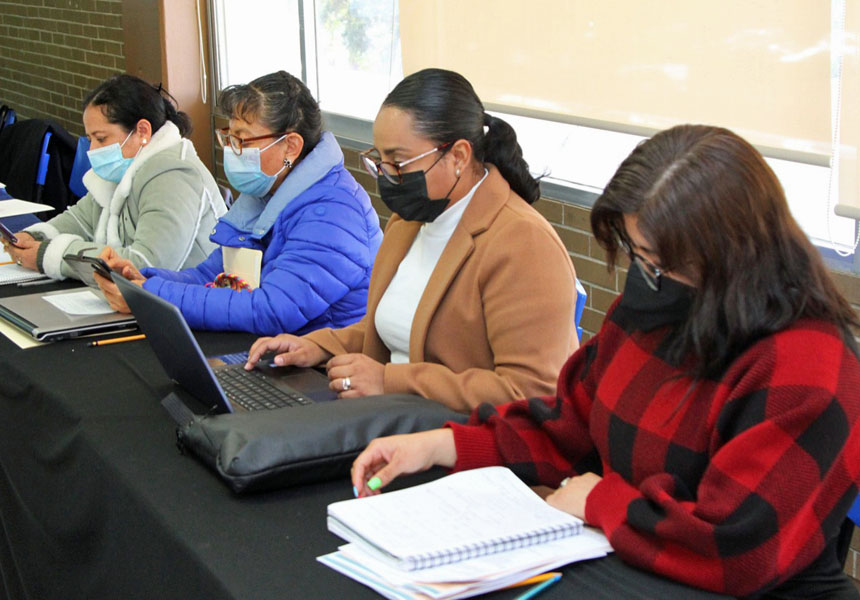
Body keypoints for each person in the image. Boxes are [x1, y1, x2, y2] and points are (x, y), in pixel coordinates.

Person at [350, 125, 860, 598]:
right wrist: (444, 445)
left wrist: (601, 501)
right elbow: (572, 422)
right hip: (625, 562)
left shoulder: (809, 366)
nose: (644, 277)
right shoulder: (657, 306)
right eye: (639, 256)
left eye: (660, 263)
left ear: (734, 257)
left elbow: (737, 548)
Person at [246, 69, 579, 411]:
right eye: (381, 161)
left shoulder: (524, 243)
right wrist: (318, 346)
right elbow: (392, 329)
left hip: (470, 442)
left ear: (459, 157)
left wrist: (390, 381)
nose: (388, 176)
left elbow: (531, 393)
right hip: (400, 417)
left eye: (399, 162)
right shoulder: (409, 222)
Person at [94, 71, 383, 335]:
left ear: (290, 147)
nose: (232, 152)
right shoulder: (266, 193)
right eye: (229, 138)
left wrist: (154, 295)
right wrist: (142, 281)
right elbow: (214, 276)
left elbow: (274, 309)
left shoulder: (333, 213)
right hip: (274, 349)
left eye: (243, 141)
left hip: (323, 369)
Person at [4, 74, 226, 281]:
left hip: (190, 308)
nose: (92, 149)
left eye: (101, 139)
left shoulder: (175, 176)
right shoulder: (126, 165)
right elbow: (81, 220)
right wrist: (35, 237)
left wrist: (51, 255)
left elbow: (144, 265)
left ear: (142, 131)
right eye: (90, 138)